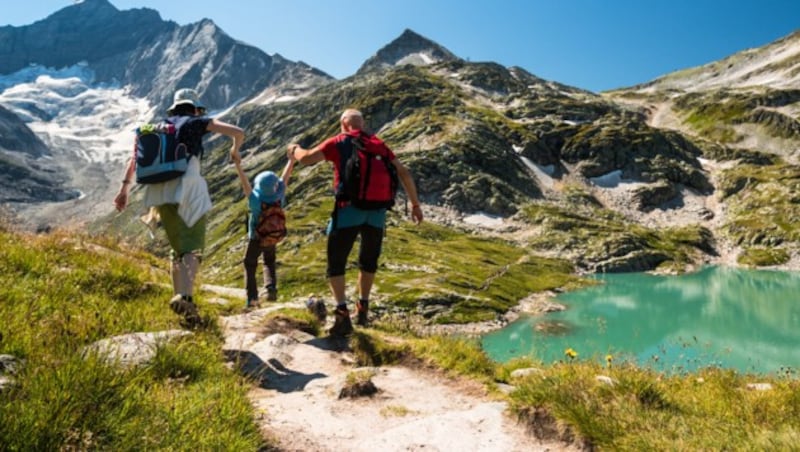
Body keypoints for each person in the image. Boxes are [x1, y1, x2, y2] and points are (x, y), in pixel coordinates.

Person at [114, 88, 244, 327]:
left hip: (159, 192)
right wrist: (235, 149)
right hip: (189, 188)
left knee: (177, 248)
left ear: (173, 108)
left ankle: (182, 300)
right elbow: (238, 131)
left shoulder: (156, 128)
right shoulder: (196, 122)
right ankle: (186, 297)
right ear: (194, 108)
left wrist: (123, 191)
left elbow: (134, 160)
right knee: (192, 247)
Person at [288, 108, 424, 336]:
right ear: (362, 124)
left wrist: (294, 149)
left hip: (348, 210)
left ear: (343, 123)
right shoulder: (379, 144)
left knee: (336, 262)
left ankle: (342, 313)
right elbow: (404, 172)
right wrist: (415, 204)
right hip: (377, 213)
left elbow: (307, 159)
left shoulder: (339, 141)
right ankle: (363, 307)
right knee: (368, 261)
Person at [232, 153, 295, 308]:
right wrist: (291, 161)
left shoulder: (255, 200)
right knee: (269, 261)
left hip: (256, 238)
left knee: (249, 264)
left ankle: (252, 299)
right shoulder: (279, 196)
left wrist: (238, 166)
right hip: (273, 236)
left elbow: (245, 183)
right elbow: (285, 178)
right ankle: (271, 287)